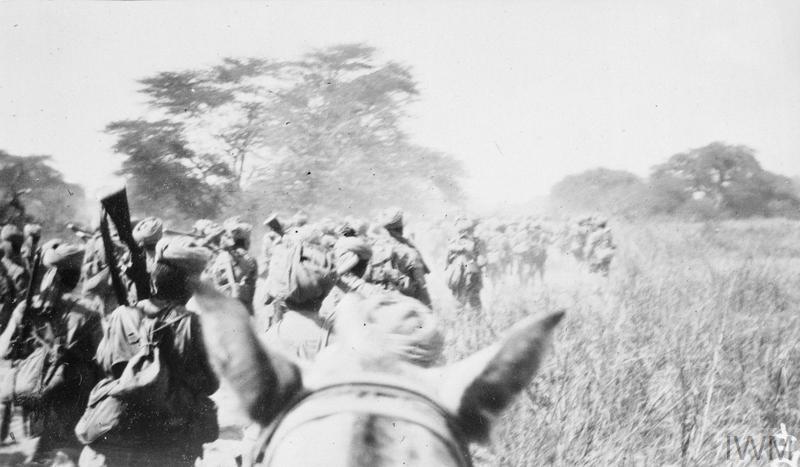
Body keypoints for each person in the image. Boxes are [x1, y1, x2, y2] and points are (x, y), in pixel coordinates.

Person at [78, 236, 219, 467]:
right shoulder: (194, 324)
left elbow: (104, 363)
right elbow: (211, 383)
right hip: (170, 437)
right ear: (189, 285)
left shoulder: (121, 315)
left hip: (119, 429)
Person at [0, 241, 103, 465]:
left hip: (32, 392)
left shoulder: (27, 308)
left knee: (33, 452)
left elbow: (5, 350)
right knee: (62, 455)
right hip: (71, 396)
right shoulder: (89, 313)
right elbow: (102, 359)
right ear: (76, 276)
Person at [364, 209, 432, 307]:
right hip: (406, 303)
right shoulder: (411, 252)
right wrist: (429, 307)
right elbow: (422, 287)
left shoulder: (375, 247)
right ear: (402, 227)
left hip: (378, 299)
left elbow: (367, 276)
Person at [207, 217, 258, 314]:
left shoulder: (219, 258)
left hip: (220, 311)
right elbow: (251, 289)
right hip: (242, 311)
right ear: (246, 239)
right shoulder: (249, 259)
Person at [445, 218, 485, 309]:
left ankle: (462, 320)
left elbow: (446, 262)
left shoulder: (453, 242)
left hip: (456, 276)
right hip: (470, 275)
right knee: (474, 302)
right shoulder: (477, 242)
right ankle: (475, 321)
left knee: (459, 303)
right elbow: (482, 261)